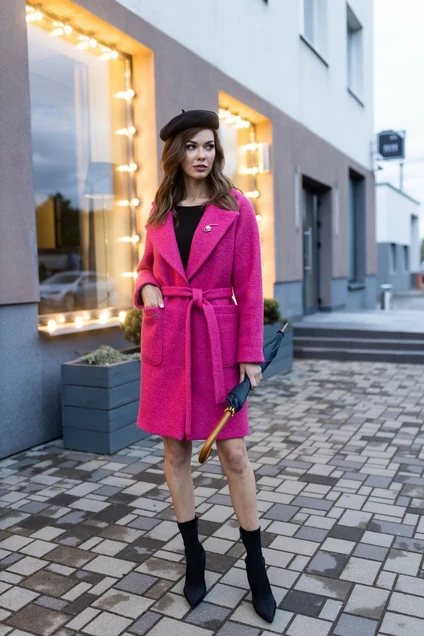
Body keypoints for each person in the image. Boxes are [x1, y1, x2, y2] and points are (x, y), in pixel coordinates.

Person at [133, 109, 276, 623]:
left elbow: (251, 285)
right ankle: (194, 557)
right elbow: (146, 266)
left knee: (233, 454)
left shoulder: (235, 206)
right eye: (192, 146)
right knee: (175, 450)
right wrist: (146, 287)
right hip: (170, 340)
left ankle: (256, 565)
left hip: (216, 340)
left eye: (209, 146)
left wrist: (250, 353)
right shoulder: (160, 207)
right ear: (176, 153)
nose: (201, 155)